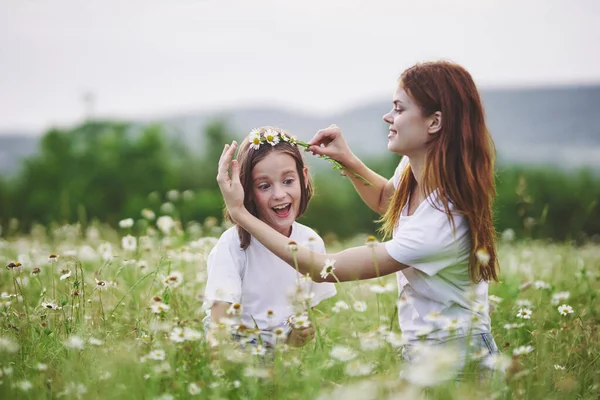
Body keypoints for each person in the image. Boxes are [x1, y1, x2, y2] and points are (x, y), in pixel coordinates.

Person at [216, 61, 500, 362]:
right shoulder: (414, 170)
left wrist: (240, 213)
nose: (388, 116)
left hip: (457, 353)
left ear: (434, 122)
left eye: (400, 109)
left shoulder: (441, 222)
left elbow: (323, 269)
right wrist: (346, 159)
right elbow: (386, 199)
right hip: (427, 349)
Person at [204, 126, 337, 348]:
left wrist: (296, 339)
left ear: (303, 177)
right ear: (247, 191)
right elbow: (218, 333)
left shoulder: (311, 241)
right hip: (237, 349)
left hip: (282, 355)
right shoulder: (233, 245)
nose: (279, 194)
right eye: (264, 186)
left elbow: (305, 326)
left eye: (288, 181)